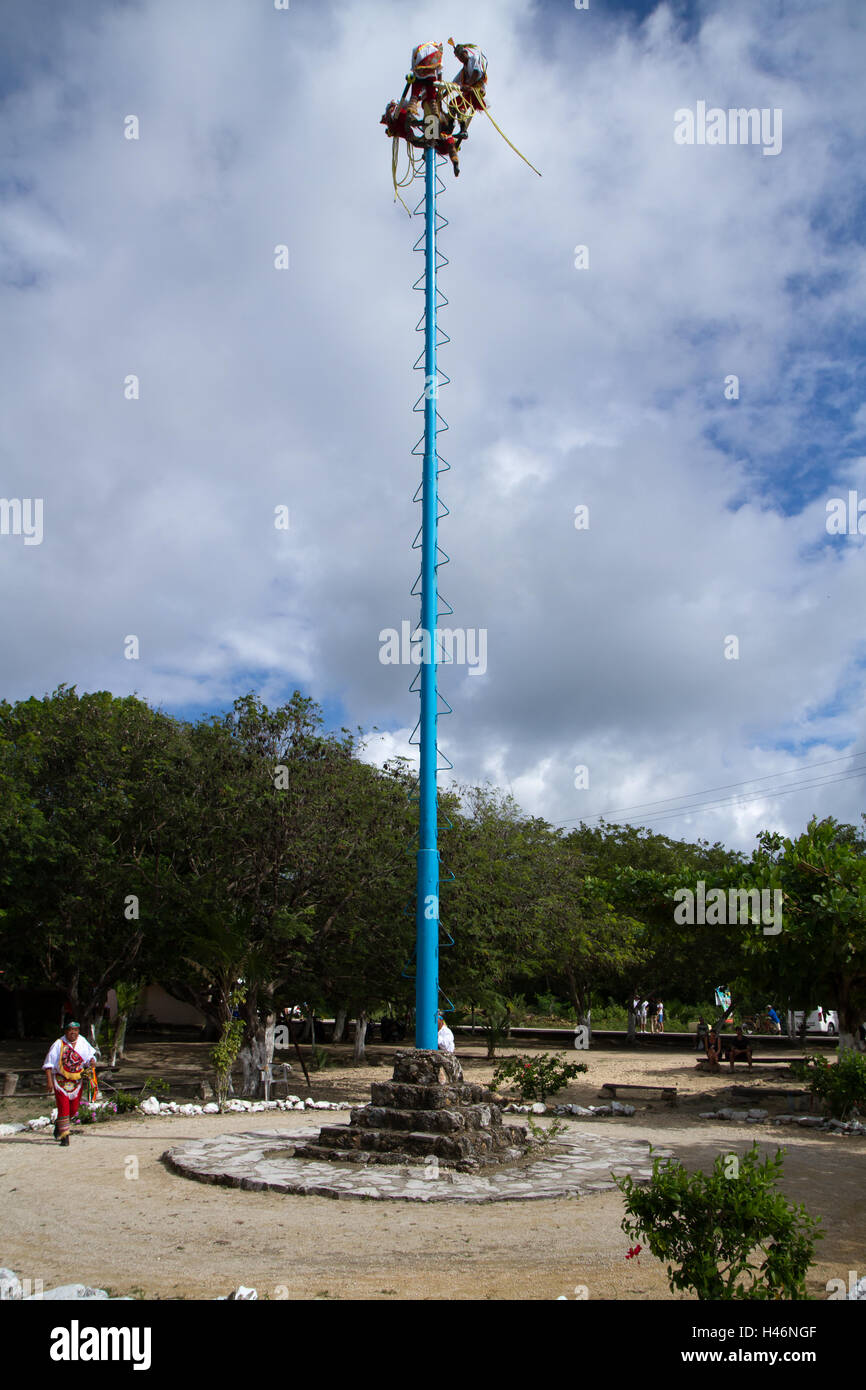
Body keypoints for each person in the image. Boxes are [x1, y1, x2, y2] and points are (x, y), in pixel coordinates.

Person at [43, 1022, 97, 1147]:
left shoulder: (83, 1042)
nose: (73, 1032)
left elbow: (90, 1056)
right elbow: (48, 1064)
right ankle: (64, 1136)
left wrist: (92, 1060)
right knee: (63, 1108)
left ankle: (59, 1124)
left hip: (77, 1081)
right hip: (61, 1081)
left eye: (75, 1030)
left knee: (73, 1109)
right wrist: (49, 1081)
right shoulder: (58, 1044)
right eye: (70, 1030)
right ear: (66, 1031)